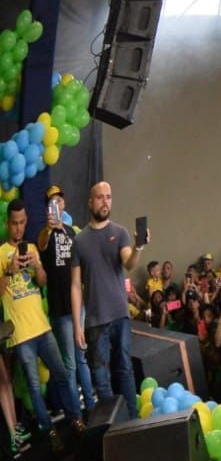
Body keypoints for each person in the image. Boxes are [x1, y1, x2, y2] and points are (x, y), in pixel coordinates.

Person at [1, 200, 82, 445]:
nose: (18, 228)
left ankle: (75, 418)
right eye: (14, 223)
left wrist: (36, 266)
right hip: (21, 334)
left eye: (22, 222)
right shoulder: (1, 252)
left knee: (61, 374)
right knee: (34, 387)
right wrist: (9, 270)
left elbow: (44, 282)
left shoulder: (34, 247)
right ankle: (49, 431)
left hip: (42, 326)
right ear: (7, 223)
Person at [71, 181, 143, 415]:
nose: (105, 201)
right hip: (94, 319)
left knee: (124, 370)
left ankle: (131, 419)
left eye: (109, 196)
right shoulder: (79, 241)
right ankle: (112, 426)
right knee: (101, 378)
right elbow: (75, 286)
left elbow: (128, 263)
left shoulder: (120, 232)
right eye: (100, 197)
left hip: (120, 314)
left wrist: (138, 247)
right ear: (90, 202)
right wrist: (76, 325)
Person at [37, 185, 94, 420]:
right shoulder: (44, 235)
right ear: (47, 209)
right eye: (51, 203)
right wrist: (49, 230)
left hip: (77, 306)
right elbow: (40, 244)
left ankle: (91, 406)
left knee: (81, 357)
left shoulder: (73, 233)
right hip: (60, 309)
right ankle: (75, 414)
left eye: (59, 201)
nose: (56, 205)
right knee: (69, 363)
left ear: (64, 203)